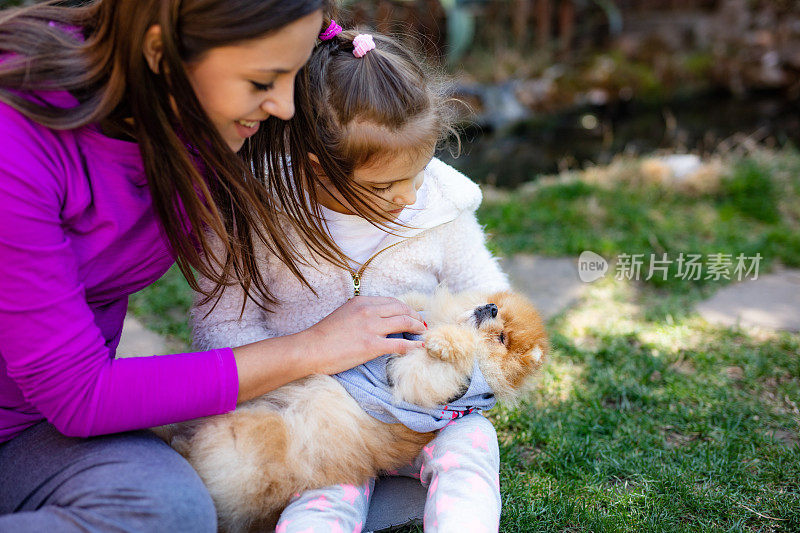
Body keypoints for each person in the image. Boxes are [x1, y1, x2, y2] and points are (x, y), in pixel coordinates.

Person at [0, 2, 427, 531]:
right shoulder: (14, 145)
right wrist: (311, 347)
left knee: (170, 510)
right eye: (262, 80)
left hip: (31, 435)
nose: (286, 106)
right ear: (160, 52)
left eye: (292, 74)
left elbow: (383, 159)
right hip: (66, 410)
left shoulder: (190, 111)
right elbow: (82, 394)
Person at [190, 24, 510, 533]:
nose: (408, 197)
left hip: (422, 406)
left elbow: (491, 297)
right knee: (323, 490)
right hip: (321, 415)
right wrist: (309, 381)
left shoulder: (442, 208)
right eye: (385, 186)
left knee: (472, 451)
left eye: (420, 171)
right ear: (317, 169)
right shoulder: (255, 216)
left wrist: (457, 348)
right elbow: (219, 329)